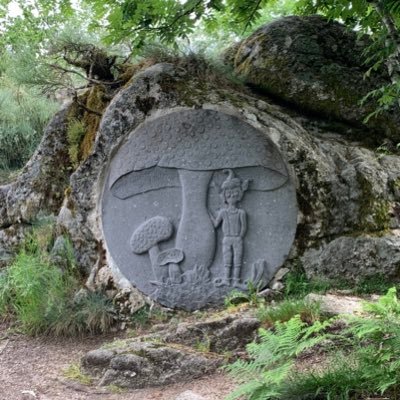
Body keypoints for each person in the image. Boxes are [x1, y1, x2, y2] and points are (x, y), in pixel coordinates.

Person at [211, 169, 249, 286]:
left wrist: (239, 237)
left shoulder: (241, 212)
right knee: (227, 260)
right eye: (228, 194)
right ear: (225, 197)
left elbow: (244, 227)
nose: (231, 196)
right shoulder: (223, 212)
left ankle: (236, 281)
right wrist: (209, 215)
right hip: (227, 239)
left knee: (237, 260)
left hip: (237, 238)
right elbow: (216, 224)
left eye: (234, 193)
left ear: (239, 195)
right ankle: (227, 280)